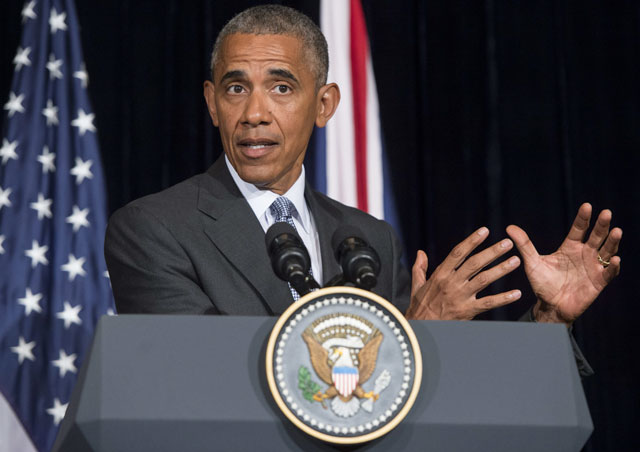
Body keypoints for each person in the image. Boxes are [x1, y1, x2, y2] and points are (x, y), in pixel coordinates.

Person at [104, 5, 621, 352]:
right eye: (236, 89)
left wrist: (550, 323)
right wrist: (409, 336)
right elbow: (199, 377)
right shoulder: (153, 228)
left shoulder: (369, 239)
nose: (254, 113)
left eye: (281, 88)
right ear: (212, 104)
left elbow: (429, 397)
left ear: (324, 104)